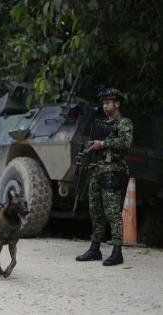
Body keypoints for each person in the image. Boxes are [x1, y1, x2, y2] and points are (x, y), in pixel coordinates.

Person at [76, 87, 133, 266]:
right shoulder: (101, 124)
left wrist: (104, 144)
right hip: (97, 171)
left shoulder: (124, 123)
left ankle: (117, 251)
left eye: (108, 103)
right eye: (103, 103)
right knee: (96, 212)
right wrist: (90, 148)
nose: (105, 106)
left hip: (112, 171)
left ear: (117, 103)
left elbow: (126, 143)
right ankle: (95, 249)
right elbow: (96, 146)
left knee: (113, 213)